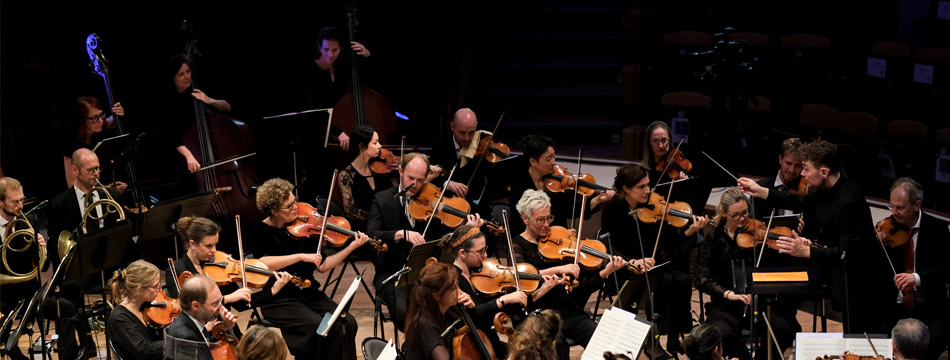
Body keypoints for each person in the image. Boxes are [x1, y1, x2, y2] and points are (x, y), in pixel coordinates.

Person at [737, 140, 892, 333]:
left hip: (865, 284)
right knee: (853, 337)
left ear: (824, 172)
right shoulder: (826, 188)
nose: (802, 174)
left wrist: (807, 251)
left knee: (863, 340)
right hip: (847, 279)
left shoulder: (849, 201)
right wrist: (761, 192)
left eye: (806, 169)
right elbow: (802, 201)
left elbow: (846, 252)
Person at [253, 177, 367, 359]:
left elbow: (322, 266)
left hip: (307, 293)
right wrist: (299, 256)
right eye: (289, 206)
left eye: (295, 201)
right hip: (279, 298)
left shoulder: (304, 229)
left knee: (346, 322)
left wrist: (351, 247)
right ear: (273, 210)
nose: (296, 208)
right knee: (317, 327)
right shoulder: (260, 231)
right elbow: (263, 262)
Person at [367, 152, 483, 331]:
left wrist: (468, 230)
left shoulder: (433, 199)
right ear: (400, 172)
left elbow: (447, 239)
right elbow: (372, 234)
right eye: (410, 178)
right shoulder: (382, 200)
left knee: (456, 308)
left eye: (420, 180)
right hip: (394, 274)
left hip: (428, 273)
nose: (415, 185)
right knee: (407, 316)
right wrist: (400, 233)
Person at [600, 164, 706, 357]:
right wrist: (632, 261)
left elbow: (673, 246)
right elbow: (608, 248)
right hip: (624, 268)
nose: (648, 191)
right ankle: (652, 341)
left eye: (648, 185)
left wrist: (690, 230)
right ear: (626, 189)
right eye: (642, 187)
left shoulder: (653, 207)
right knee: (664, 282)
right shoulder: (612, 211)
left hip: (654, 266)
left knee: (682, 280)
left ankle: (674, 339)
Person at [511, 189, 628, 359]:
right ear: (525, 219)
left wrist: (605, 272)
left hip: (568, 310)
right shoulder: (517, 244)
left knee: (602, 340)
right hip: (539, 313)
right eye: (540, 220)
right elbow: (522, 274)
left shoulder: (560, 240)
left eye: (549, 218)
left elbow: (581, 287)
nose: (546, 224)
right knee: (558, 345)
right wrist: (558, 269)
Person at [696, 188, 800, 360]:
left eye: (745, 212)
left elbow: (778, 266)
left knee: (782, 327)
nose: (743, 219)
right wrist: (729, 294)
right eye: (736, 215)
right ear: (724, 213)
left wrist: (794, 244)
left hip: (760, 302)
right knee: (721, 333)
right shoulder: (713, 239)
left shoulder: (759, 233)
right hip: (725, 305)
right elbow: (702, 278)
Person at [0, 177, 91, 360]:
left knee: (65, 307)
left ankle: (69, 357)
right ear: (1, 202)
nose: (20, 206)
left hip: (29, 295)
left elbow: (45, 265)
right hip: (3, 296)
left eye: (22, 200)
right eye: (15, 201)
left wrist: (41, 247)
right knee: (4, 335)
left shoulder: (29, 220)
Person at [440, 224, 562, 357]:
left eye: (485, 249)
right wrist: (502, 300)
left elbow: (506, 308)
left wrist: (543, 289)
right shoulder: (453, 281)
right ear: (463, 253)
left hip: (492, 341)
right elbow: (474, 315)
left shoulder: (479, 272)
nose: (485, 255)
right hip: (475, 346)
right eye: (480, 252)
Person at [875, 178, 947, 360]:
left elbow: (946, 270)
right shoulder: (888, 229)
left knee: (937, 337)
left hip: (929, 304)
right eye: (891, 206)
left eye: (899, 208)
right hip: (895, 304)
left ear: (916, 205)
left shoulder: (937, 228)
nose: (894, 213)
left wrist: (916, 278)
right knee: (879, 330)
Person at [166, 216, 292, 316]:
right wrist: (226, 299)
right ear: (192, 244)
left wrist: (273, 290)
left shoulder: (219, 265)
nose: (214, 251)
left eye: (216, 245)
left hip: (226, 327)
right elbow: (186, 311)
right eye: (208, 246)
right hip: (201, 335)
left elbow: (242, 304)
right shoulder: (176, 270)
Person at [506, 135, 614, 237]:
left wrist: (598, 199)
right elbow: (519, 225)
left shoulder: (558, 183)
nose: (553, 162)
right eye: (548, 159)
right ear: (533, 161)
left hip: (560, 244)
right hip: (534, 245)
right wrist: (554, 233)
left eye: (554, 156)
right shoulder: (519, 188)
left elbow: (573, 211)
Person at [48, 148, 124, 269]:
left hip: (110, 264)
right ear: (75, 170)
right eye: (90, 170)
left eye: (98, 168)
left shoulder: (113, 196)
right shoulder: (59, 203)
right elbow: (55, 244)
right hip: (78, 268)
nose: (96, 173)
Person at [305, 26, 373, 151]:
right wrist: (337, 132)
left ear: (340, 49)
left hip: (343, 133)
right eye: (326, 49)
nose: (330, 54)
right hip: (320, 134)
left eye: (334, 50)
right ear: (319, 47)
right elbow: (314, 110)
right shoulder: (310, 71)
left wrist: (367, 57)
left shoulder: (342, 68)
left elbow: (366, 82)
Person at [163, 54, 232, 174]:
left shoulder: (198, 91)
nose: (187, 76)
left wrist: (210, 100)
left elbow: (227, 107)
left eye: (188, 71)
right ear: (173, 78)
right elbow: (171, 135)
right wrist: (189, 155)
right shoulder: (169, 103)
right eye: (181, 74)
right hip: (189, 159)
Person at [164, 274, 239, 360]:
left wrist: (226, 328)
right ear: (195, 306)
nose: (220, 307)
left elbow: (207, 346)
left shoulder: (192, 321)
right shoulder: (186, 338)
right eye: (215, 303)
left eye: (220, 301)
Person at [60, 96, 127, 191]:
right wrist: (105, 190)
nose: (100, 121)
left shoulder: (97, 129)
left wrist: (117, 113)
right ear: (82, 120)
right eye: (95, 118)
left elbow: (108, 120)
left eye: (101, 115)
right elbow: (72, 186)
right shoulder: (70, 143)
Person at [337, 124, 393, 232]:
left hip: (384, 229)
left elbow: (394, 194)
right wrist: (378, 217)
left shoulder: (380, 170)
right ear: (361, 146)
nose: (380, 146)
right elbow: (351, 211)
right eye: (375, 143)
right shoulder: (346, 175)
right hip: (361, 233)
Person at [105, 260, 164, 360]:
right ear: (139, 289)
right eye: (155, 286)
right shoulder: (119, 318)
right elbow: (145, 351)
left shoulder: (144, 306)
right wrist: (174, 341)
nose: (160, 290)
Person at [430, 108, 491, 200]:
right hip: (449, 203)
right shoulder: (440, 147)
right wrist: (447, 183)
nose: (467, 138)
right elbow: (431, 178)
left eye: (471, 132)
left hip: (477, 205)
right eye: (462, 132)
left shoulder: (482, 148)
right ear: (452, 127)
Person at [403, 261, 458, 360]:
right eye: (453, 288)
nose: (458, 292)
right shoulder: (426, 324)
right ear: (437, 295)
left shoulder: (441, 313)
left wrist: (472, 309)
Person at [752, 138, 805, 217]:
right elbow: (754, 224)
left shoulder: (805, 191)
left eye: (797, 166)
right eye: (788, 163)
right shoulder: (760, 188)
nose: (792, 170)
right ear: (780, 159)